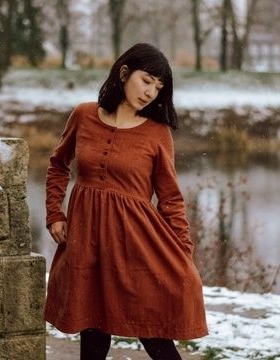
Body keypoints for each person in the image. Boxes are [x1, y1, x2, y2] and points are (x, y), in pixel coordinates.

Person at [45, 43, 208, 360]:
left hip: (136, 245)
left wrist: (183, 251)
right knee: (92, 333)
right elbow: (58, 165)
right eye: (147, 80)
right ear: (124, 73)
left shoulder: (157, 133)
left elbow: (171, 199)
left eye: (158, 87)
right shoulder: (83, 115)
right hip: (86, 242)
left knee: (154, 335)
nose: (151, 93)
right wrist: (55, 213)